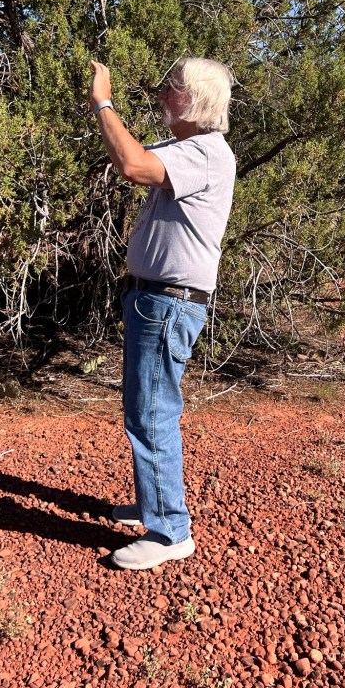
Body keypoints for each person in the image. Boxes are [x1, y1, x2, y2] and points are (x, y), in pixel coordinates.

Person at [89, 57, 236, 570]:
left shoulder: (205, 154)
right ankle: (154, 505)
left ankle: (171, 531)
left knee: (151, 413)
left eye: (171, 88)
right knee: (146, 409)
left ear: (195, 99)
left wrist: (103, 102)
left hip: (168, 303)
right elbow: (130, 156)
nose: (161, 95)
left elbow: (132, 165)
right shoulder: (188, 149)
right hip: (154, 300)